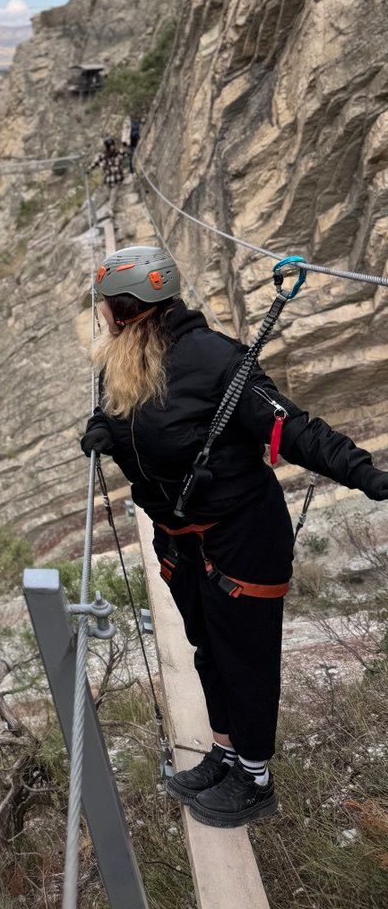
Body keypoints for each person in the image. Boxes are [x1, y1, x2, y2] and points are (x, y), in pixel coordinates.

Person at [80, 246, 388, 829]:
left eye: (105, 307)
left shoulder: (218, 363)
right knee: (208, 649)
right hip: (181, 540)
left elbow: (292, 428)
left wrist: (369, 476)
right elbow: (129, 422)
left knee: (244, 658)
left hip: (240, 535)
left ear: (125, 310)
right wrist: (102, 430)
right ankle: (225, 755)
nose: (102, 316)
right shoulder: (122, 363)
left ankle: (254, 779)